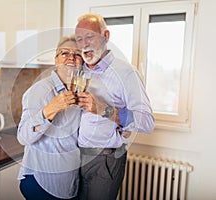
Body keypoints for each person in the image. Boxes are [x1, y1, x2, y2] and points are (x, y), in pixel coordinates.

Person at [74, 13, 155, 200]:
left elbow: (147, 122)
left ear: (106, 36)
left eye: (89, 36)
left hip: (106, 160)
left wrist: (106, 110)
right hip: (76, 158)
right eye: (79, 39)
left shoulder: (126, 73)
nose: (84, 44)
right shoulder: (79, 72)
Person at [17, 35, 84, 200]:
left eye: (77, 54)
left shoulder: (80, 91)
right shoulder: (40, 91)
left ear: (82, 62)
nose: (71, 57)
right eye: (64, 53)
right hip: (42, 182)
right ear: (56, 60)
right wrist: (51, 109)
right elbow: (23, 136)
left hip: (68, 182)